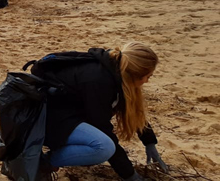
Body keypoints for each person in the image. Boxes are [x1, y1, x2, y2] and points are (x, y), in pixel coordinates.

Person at [28, 42, 167, 181]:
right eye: (148, 76)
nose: (147, 81)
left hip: (66, 113)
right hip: (44, 121)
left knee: (100, 144)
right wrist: (131, 176)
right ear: (135, 75)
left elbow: (134, 110)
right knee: (103, 148)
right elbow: (103, 129)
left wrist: (150, 143)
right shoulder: (99, 82)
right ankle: (41, 163)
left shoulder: (116, 70)